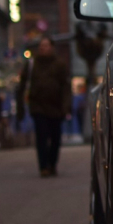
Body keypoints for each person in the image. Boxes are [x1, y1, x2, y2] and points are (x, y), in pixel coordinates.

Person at [16, 37, 71, 177]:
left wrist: (66, 106)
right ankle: (43, 166)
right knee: (41, 137)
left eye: (46, 45)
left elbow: (65, 87)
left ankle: (52, 164)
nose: (43, 48)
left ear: (51, 47)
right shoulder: (31, 64)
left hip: (56, 108)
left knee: (55, 138)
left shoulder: (60, 64)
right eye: (41, 46)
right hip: (37, 106)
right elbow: (22, 86)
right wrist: (20, 106)